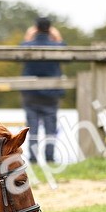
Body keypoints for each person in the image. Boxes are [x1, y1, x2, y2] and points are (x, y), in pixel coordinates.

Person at [19, 17, 66, 164]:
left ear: (36, 28)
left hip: (30, 94)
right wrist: (58, 38)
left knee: (32, 128)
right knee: (50, 128)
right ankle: (50, 158)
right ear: (50, 29)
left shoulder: (28, 46)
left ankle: (33, 159)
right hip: (51, 94)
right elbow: (66, 51)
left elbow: (20, 52)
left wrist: (28, 37)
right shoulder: (56, 47)